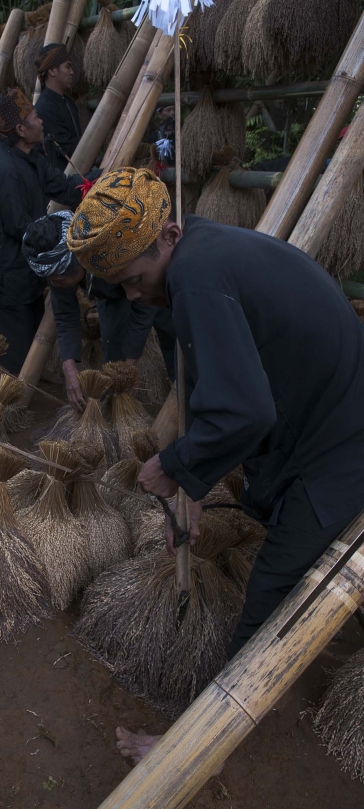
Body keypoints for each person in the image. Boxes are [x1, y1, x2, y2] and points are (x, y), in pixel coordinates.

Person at [67, 167, 364, 763]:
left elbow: (247, 409)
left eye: (134, 279)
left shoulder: (199, 274)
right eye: (119, 287)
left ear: (168, 235)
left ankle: (192, 749)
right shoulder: (205, 254)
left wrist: (174, 466)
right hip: (330, 422)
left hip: (343, 446)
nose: (132, 296)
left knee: (273, 597)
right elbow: (212, 383)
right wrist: (195, 487)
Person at [0, 86, 99, 375]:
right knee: (15, 362)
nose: (41, 119)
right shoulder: (5, 171)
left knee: (31, 347)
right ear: (20, 128)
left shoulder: (32, 157)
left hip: (25, 271)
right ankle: (11, 409)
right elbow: (22, 229)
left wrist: (96, 188)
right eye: (34, 115)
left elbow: (63, 188)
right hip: (7, 277)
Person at [22, 211, 175, 411]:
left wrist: (131, 363)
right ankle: (117, 409)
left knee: (173, 333)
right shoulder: (60, 264)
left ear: (79, 259)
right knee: (113, 351)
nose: (54, 285)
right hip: (110, 293)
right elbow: (65, 314)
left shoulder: (111, 247)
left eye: (58, 280)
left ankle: (181, 393)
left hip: (152, 282)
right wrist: (69, 365)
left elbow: (144, 306)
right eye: (51, 280)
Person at [34, 43, 82, 172]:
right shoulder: (45, 108)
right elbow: (67, 152)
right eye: (67, 67)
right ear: (52, 71)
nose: (72, 72)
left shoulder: (69, 103)